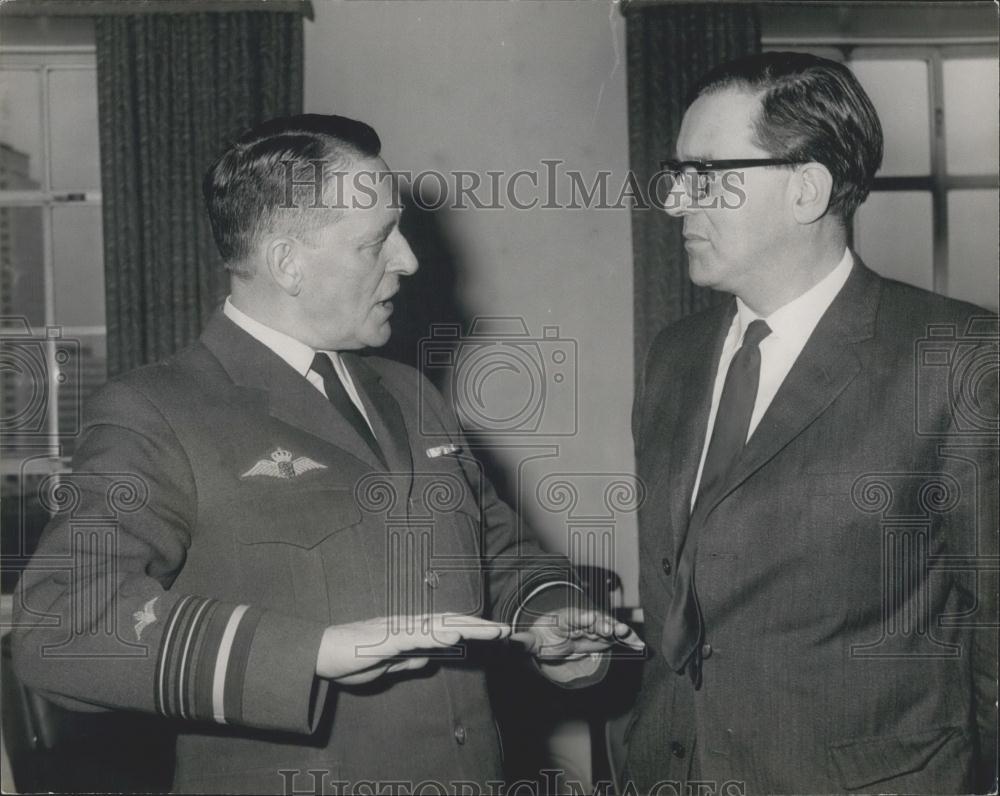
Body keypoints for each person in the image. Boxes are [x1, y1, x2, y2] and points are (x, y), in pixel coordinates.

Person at [12, 114, 641, 795]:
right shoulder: (159, 411)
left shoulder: (409, 394)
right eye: (377, 242)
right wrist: (311, 654)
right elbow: (60, 628)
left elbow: (495, 553)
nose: (408, 260)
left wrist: (548, 612)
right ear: (288, 263)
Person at [627, 52, 997, 794]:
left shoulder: (955, 355)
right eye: (679, 174)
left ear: (807, 189)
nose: (677, 202)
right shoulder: (675, 355)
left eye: (709, 175)